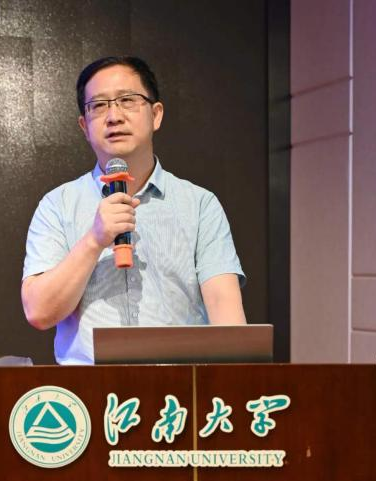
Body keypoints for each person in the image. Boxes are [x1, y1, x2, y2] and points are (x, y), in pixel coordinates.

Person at [21, 56, 246, 364]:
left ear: (156, 115)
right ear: (84, 126)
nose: (114, 116)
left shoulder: (200, 204)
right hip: (89, 387)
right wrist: (94, 240)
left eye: (127, 100)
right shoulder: (57, 205)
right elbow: (39, 311)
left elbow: (226, 313)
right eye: (99, 105)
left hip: (178, 387)